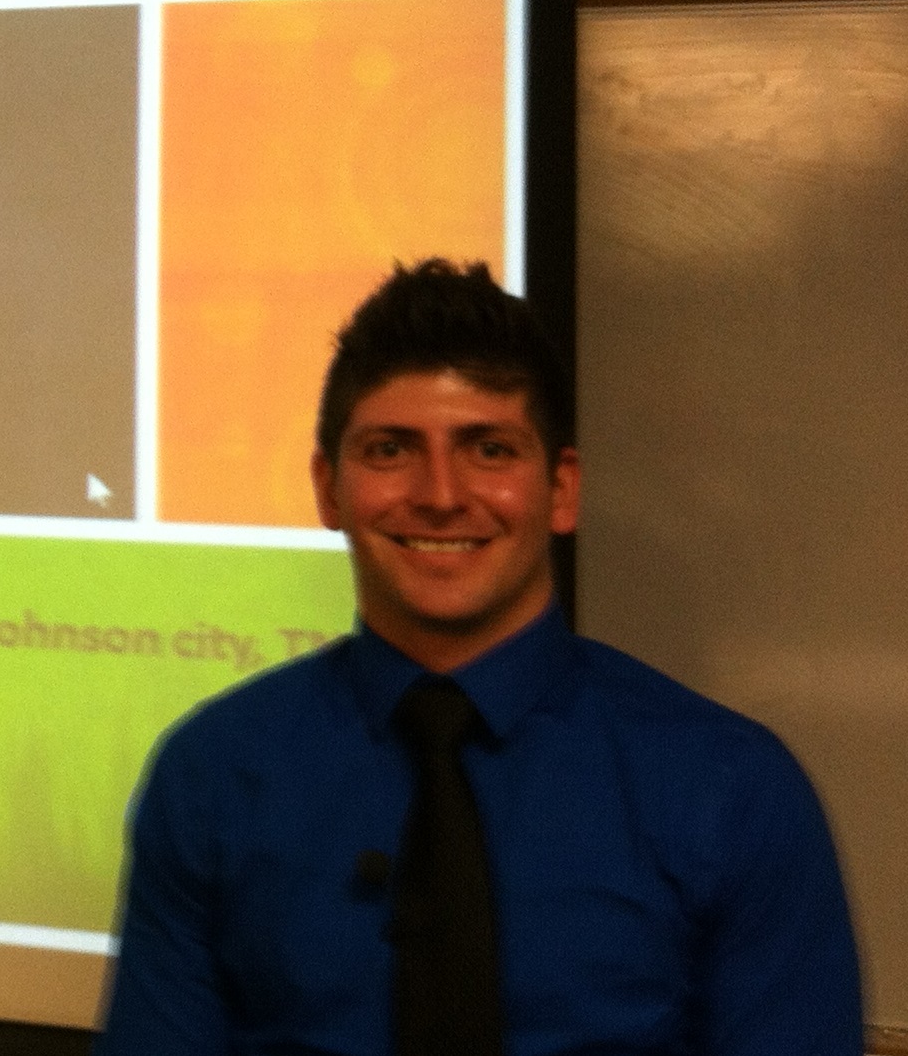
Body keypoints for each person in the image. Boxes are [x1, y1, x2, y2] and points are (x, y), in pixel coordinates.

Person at [97, 259, 861, 1055]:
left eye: (489, 450)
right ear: (327, 488)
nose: (439, 494)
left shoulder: (731, 792)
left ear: (560, 489)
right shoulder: (212, 777)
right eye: (389, 450)